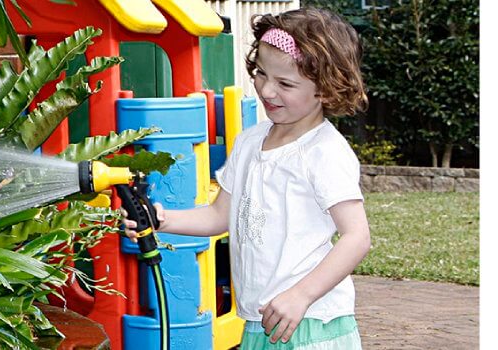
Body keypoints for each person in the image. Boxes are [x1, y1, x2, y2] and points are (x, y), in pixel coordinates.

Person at [123, 7, 371, 349]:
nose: (267, 91)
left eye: (285, 83)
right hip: (259, 321)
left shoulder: (324, 151)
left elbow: (356, 237)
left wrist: (301, 295)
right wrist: (160, 218)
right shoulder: (250, 141)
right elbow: (218, 215)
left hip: (310, 322)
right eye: (261, 74)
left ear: (326, 91)